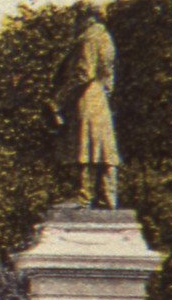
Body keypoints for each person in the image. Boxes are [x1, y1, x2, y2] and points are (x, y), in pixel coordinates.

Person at [51, 14, 121, 206]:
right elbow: (109, 76)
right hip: (99, 96)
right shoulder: (105, 37)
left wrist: (59, 99)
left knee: (85, 142)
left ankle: (84, 195)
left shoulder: (89, 37)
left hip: (86, 95)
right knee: (102, 145)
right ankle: (108, 196)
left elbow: (84, 72)